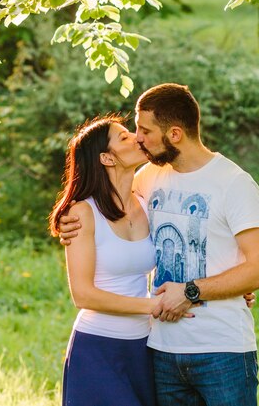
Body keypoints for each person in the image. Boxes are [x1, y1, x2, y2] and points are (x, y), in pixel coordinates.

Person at [59, 83, 259, 406]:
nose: (138, 138)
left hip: (219, 351)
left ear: (174, 134)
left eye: (143, 130)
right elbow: (99, 192)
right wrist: (68, 219)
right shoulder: (148, 179)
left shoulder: (231, 183)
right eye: (132, 132)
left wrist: (206, 286)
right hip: (158, 349)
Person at [48, 115, 173, 406]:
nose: (136, 138)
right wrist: (152, 306)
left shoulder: (147, 201)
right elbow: (83, 294)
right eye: (124, 137)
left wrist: (229, 286)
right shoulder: (82, 213)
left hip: (144, 347)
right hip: (97, 349)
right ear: (106, 158)